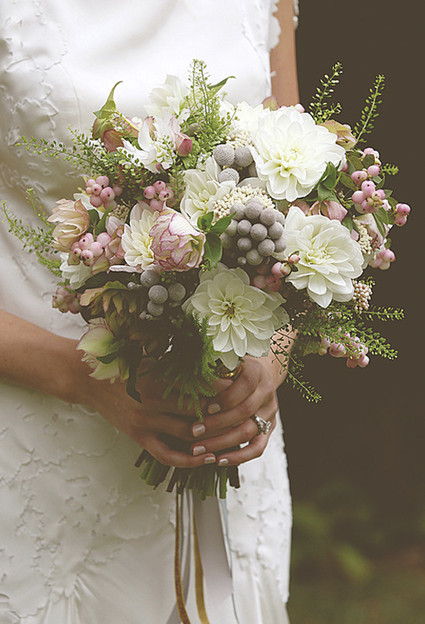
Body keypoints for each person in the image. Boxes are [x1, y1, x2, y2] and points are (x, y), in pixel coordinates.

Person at [0, 1, 299, 622]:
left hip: (230, 447)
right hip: (40, 443)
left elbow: (299, 196)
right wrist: (81, 377)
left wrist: (270, 359)